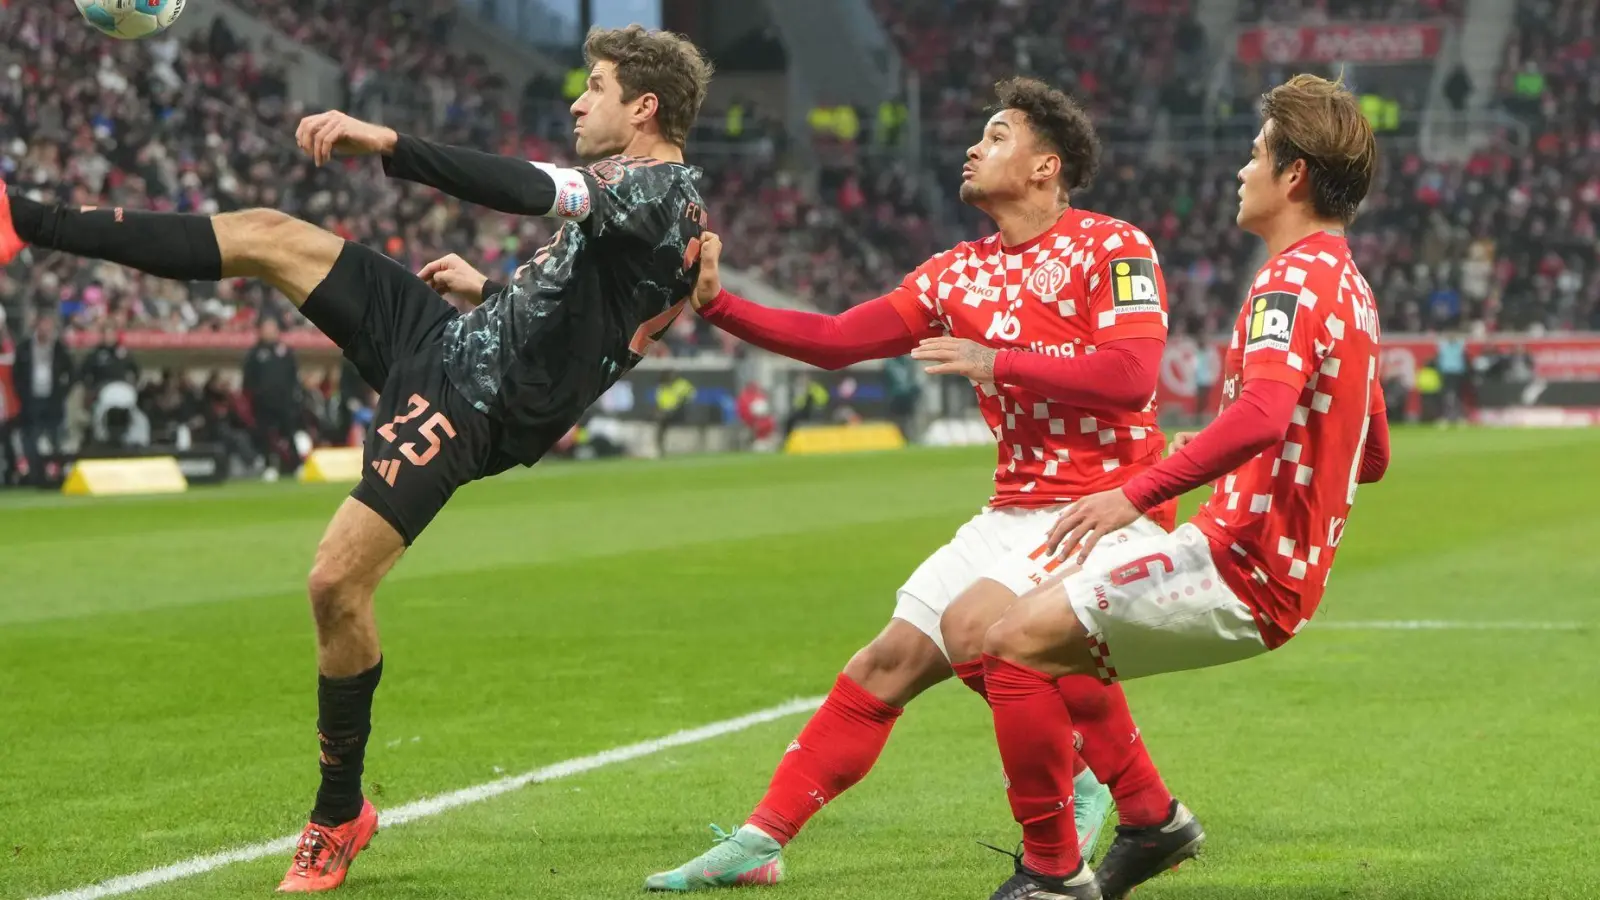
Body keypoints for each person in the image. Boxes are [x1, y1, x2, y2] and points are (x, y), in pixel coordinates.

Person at [0, 24, 713, 893]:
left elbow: (531, 193)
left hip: (471, 407)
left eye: (593, 85)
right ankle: (19, 219)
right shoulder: (654, 211)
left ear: (643, 106)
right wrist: (490, 291)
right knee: (269, 233)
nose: (575, 100)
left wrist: (388, 142)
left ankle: (339, 813)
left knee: (334, 582)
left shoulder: (662, 195)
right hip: (447, 337)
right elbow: (597, 321)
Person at [646, 77, 1176, 892]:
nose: (973, 147)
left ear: (1046, 166)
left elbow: (1132, 374)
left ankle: (1085, 810)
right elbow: (833, 341)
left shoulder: (1113, 246)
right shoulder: (954, 274)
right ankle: (762, 842)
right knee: (885, 661)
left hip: (1108, 508)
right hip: (1014, 511)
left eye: (997, 136)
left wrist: (996, 363)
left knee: (981, 632)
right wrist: (718, 307)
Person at [974, 74, 1391, 900]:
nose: (1241, 171)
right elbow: (1369, 454)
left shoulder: (1289, 282)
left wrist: (1134, 493)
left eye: (1253, 154)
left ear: (1293, 176)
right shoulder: (1351, 288)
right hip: (1265, 561)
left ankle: (1053, 875)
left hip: (1240, 562)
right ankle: (1148, 820)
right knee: (1048, 638)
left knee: (1009, 645)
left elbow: (1265, 415)